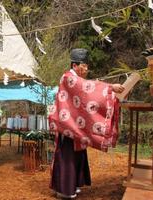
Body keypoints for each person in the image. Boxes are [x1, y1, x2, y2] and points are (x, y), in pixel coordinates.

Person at [48, 48, 124, 199]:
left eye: (87, 66)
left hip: (75, 125)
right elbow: (87, 88)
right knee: (67, 157)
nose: (87, 69)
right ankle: (64, 189)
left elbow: (87, 92)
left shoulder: (76, 78)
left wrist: (111, 93)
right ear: (75, 65)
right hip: (68, 125)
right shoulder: (68, 77)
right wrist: (110, 88)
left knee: (77, 156)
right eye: (84, 66)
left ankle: (73, 185)